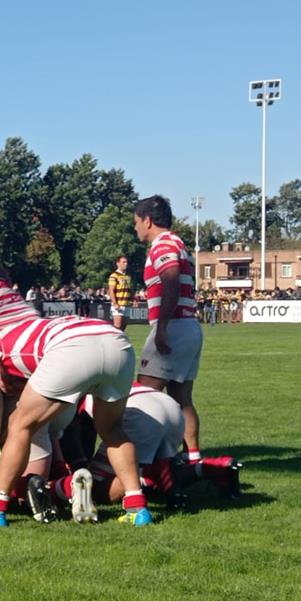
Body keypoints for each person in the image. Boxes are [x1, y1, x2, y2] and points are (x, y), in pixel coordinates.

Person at [0, 314, 150, 526]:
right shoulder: (35, 335)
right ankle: (137, 506)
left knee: (19, 425)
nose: (7, 388)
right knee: (112, 430)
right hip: (118, 344)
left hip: (73, 347)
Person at [132, 195, 205, 464]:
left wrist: (161, 327)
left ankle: (144, 460)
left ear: (148, 220)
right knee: (181, 397)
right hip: (189, 325)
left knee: (144, 396)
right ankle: (193, 459)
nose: (136, 228)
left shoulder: (162, 244)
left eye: (137, 223)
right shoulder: (178, 242)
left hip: (173, 326)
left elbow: (171, 279)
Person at [107, 255, 133, 331]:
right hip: (119, 305)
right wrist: (115, 303)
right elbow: (111, 290)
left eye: (126, 262)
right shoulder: (114, 275)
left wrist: (133, 299)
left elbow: (129, 289)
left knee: (123, 327)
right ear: (118, 263)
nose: (126, 264)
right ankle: (113, 342)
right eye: (123, 262)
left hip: (126, 304)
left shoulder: (128, 276)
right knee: (117, 327)